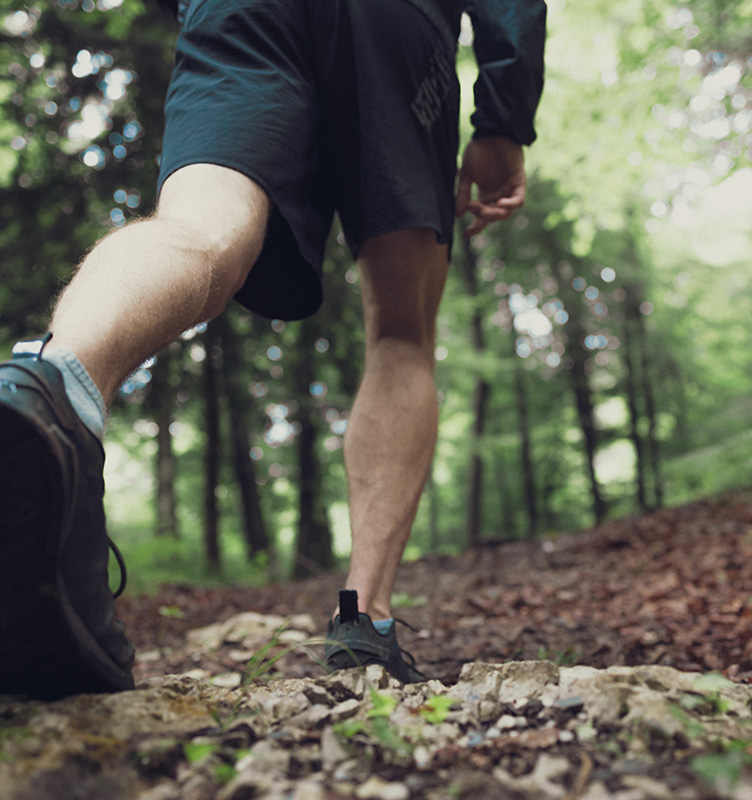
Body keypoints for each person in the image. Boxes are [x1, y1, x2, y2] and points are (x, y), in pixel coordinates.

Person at [0, 0, 545, 698]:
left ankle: (53, 387)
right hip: (398, 26)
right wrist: (504, 115)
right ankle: (364, 618)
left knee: (199, 230)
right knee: (401, 335)